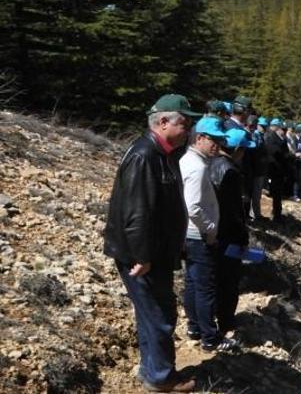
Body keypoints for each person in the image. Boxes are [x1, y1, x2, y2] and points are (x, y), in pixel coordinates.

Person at [103, 94, 199, 392]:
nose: (189, 129)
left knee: (154, 312)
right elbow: (137, 214)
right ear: (163, 122)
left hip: (156, 252)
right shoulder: (145, 155)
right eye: (184, 122)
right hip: (142, 256)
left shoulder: (164, 154)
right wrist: (142, 257)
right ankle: (160, 378)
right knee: (159, 314)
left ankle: (152, 370)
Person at [180, 116, 239, 352]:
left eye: (220, 140)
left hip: (189, 233)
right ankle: (210, 337)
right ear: (199, 138)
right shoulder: (197, 167)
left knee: (193, 283)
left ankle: (195, 327)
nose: (218, 144)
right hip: (198, 235)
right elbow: (193, 206)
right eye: (213, 139)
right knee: (205, 287)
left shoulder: (188, 160)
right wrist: (210, 229)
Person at [209, 128, 254, 335]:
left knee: (211, 279)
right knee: (228, 282)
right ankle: (226, 323)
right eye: (243, 149)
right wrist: (243, 236)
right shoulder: (230, 171)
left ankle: (205, 321)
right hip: (227, 234)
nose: (244, 154)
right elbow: (234, 211)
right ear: (236, 149)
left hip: (211, 230)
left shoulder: (209, 162)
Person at [265, 118, 292, 223]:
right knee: (275, 193)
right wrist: (287, 155)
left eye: (285, 130)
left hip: (281, 169)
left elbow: (285, 152)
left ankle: (278, 213)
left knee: (278, 193)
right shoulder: (271, 137)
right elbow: (274, 151)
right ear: (278, 128)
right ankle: (276, 214)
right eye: (283, 129)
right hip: (273, 168)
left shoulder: (282, 139)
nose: (284, 131)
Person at [247, 116, 269, 221]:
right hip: (255, 169)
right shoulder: (255, 135)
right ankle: (254, 214)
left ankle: (256, 213)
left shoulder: (261, 136)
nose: (264, 128)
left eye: (265, 126)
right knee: (254, 193)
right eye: (262, 126)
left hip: (259, 169)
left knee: (257, 193)